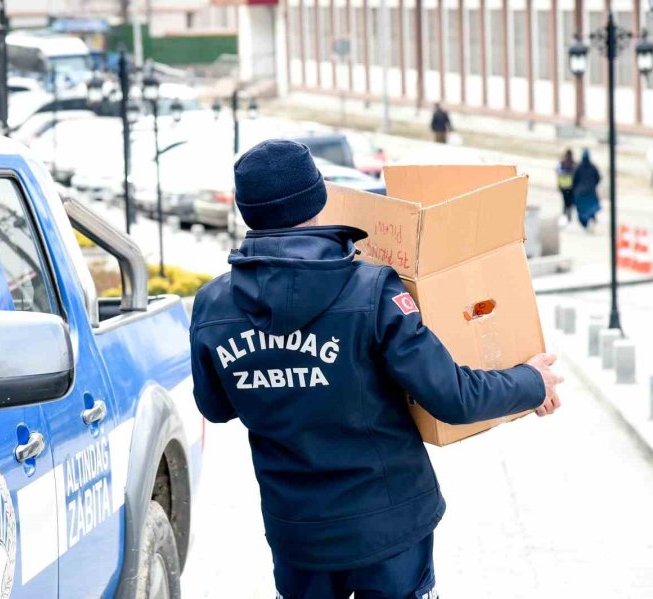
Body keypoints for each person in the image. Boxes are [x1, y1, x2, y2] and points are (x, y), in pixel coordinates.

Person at [189, 140, 563, 599]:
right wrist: (531, 381)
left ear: (249, 212)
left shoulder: (213, 304)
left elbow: (216, 407)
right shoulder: (371, 289)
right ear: (318, 197)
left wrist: (272, 374)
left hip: (298, 534)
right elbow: (452, 397)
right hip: (389, 530)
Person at [572, 149, 601, 231]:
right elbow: (598, 178)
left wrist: (575, 189)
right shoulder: (593, 167)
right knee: (591, 209)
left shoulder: (578, 167)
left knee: (581, 211)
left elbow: (574, 180)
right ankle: (591, 222)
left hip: (580, 193)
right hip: (591, 192)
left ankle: (586, 225)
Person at [556, 149, 576, 225]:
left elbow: (558, 173)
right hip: (570, 186)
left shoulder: (562, 163)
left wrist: (559, 184)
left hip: (563, 186)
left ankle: (565, 216)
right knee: (569, 202)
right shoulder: (573, 163)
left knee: (565, 201)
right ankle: (568, 216)